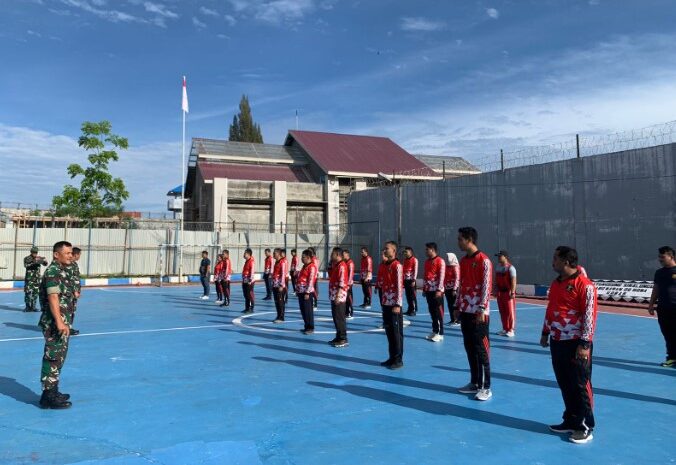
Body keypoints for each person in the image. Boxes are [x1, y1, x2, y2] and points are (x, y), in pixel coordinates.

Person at [541, 246, 598, 444]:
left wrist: (584, 344)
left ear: (566, 261)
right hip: (557, 341)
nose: (552, 262)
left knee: (580, 384)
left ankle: (585, 426)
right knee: (564, 383)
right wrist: (545, 332)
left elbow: (590, 316)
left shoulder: (584, 285)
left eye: (555, 259)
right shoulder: (556, 284)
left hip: (576, 344)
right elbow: (551, 309)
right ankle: (571, 420)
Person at [455, 227, 493, 401]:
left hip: (479, 314)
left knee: (481, 350)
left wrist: (482, 308)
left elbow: (486, 286)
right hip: (465, 311)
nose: (458, 242)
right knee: (469, 347)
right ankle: (475, 382)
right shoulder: (463, 261)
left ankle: (486, 387)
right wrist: (457, 305)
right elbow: (461, 285)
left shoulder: (484, 260)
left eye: (460, 239)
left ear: (469, 239)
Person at [38, 241, 75, 409]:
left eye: (71, 253)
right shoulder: (53, 271)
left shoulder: (62, 271)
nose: (70, 255)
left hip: (61, 322)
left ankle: (53, 390)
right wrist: (60, 322)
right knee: (52, 357)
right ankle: (48, 396)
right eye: (67, 253)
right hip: (54, 323)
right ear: (56, 254)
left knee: (59, 357)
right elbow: (53, 298)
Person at [648, 246, 676, 367]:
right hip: (663, 309)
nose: (660, 259)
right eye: (659, 257)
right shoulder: (659, 273)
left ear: (671, 256)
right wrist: (651, 304)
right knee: (668, 334)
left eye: (663, 257)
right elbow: (656, 289)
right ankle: (672, 357)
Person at [379, 241, 405, 370]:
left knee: (396, 333)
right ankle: (391, 357)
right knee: (389, 331)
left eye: (387, 248)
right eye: (384, 248)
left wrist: (397, 304)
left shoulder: (397, 266)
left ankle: (398, 359)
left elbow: (399, 286)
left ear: (394, 251)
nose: (385, 250)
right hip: (386, 303)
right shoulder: (384, 265)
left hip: (394, 304)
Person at [423, 242, 445, 342]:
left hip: (436, 291)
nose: (426, 251)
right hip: (429, 290)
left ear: (432, 249)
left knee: (437, 312)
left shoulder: (440, 261)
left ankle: (440, 333)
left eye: (427, 249)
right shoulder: (427, 262)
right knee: (432, 312)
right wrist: (424, 288)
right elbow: (426, 276)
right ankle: (435, 331)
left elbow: (442, 276)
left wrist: (439, 290)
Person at [328, 247, 349, 348]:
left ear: (337, 254)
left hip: (338, 296)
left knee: (340, 317)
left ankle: (343, 338)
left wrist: (338, 296)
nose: (331, 255)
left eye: (333, 254)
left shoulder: (342, 266)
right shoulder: (336, 265)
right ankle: (338, 336)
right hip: (334, 294)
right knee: (336, 317)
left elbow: (342, 282)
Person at [495, 250, 517, 337]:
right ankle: (505, 329)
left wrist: (512, 292)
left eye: (500, 256)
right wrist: (495, 289)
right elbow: (496, 280)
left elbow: (513, 281)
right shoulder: (498, 267)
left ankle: (511, 330)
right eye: (498, 256)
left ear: (505, 257)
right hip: (500, 293)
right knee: (502, 312)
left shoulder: (511, 268)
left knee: (510, 312)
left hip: (508, 293)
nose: (498, 258)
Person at [296, 249, 318, 334]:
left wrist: (307, 292)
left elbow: (311, 280)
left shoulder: (312, 266)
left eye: (303, 257)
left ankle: (310, 327)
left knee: (308, 310)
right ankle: (306, 326)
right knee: (303, 310)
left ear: (308, 257)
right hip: (301, 291)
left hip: (306, 293)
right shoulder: (304, 266)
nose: (302, 258)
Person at [23, 246, 48, 312]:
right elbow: (26, 265)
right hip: (29, 279)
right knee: (28, 292)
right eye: (34, 252)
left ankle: (33, 307)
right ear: (31, 252)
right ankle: (27, 307)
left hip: (37, 279)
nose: (35, 254)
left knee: (35, 293)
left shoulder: (38, 258)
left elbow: (45, 264)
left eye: (36, 252)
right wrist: (34, 262)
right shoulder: (27, 258)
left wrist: (43, 261)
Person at [67, 247, 82, 336]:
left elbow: (76, 278)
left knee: (72, 310)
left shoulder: (74, 264)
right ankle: (67, 328)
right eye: (79, 254)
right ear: (76, 254)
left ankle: (69, 327)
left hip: (74, 293)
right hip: (69, 292)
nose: (79, 256)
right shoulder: (68, 264)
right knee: (68, 310)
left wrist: (79, 289)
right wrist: (74, 290)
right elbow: (69, 279)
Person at [272, 248, 289, 323]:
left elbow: (283, 274)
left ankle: (281, 317)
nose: (273, 254)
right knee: (276, 301)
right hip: (275, 285)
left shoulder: (282, 262)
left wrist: (281, 285)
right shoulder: (276, 262)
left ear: (278, 254)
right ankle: (278, 315)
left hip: (280, 286)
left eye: (274, 253)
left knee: (280, 301)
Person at [444, 252, 461, 327]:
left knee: (455, 304)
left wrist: (454, 289)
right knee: (449, 304)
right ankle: (452, 319)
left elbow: (457, 278)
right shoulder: (446, 267)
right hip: (447, 288)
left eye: (448, 257)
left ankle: (458, 320)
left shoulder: (456, 267)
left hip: (454, 289)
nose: (447, 259)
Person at [402, 246, 418, 316]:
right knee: (408, 296)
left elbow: (415, 270)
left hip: (411, 281)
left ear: (410, 252)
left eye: (406, 251)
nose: (405, 253)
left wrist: (413, 280)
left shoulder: (414, 260)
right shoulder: (405, 260)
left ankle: (413, 310)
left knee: (412, 296)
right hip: (406, 280)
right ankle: (409, 309)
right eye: (404, 252)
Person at [241, 248, 255, 314]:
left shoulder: (251, 261)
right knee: (245, 295)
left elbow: (252, 271)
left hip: (249, 281)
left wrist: (250, 280)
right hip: (245, 280)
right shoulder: (246, 261)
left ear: (248, 254)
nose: (244, 254)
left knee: (248, 294)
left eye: (245, 253)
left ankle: (250, 308)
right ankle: (246, 308)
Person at [344, 250, 355, 319]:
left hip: (348, 284)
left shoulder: (350, 263)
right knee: (345, 298)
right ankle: (346, 312)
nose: (342, 255)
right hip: (345, 284)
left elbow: (351, 274)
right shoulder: (345, 262)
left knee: (349, 298)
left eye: (344, 254)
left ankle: (350, 312)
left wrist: (348, 284)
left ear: (347, 255)